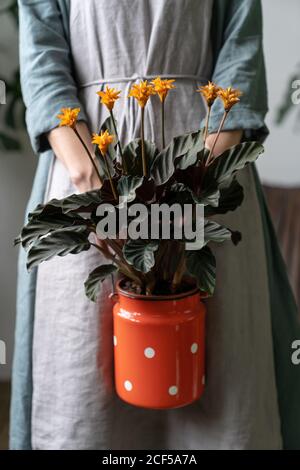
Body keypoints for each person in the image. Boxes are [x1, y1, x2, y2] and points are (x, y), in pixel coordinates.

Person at [10, 0, 300, 450]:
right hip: (85, 165)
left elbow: (241, 58)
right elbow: (42, 59)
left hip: (208, 167)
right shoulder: (88, 176)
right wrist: (91, 180)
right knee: (82, 388)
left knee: (225, 386)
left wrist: (198, 183)